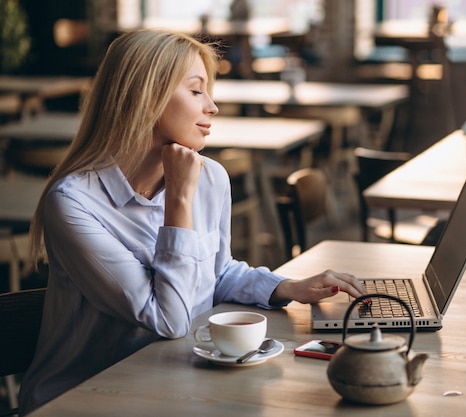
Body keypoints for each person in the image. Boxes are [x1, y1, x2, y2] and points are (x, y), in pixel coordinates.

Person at [19, 28, 365, 415]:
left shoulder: (211, 177)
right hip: (81, 399)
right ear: (145, 97)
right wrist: (180, 201)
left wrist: (289, 287)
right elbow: (168, 320)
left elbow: (217, 274)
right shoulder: (72, 203)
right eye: (197, 90)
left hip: (169, 382)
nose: (212, 107)